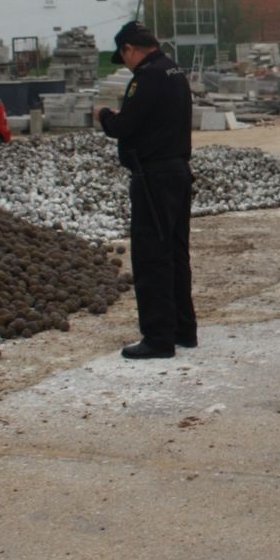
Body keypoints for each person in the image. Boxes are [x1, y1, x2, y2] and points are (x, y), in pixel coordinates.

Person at [97, 21, 198, 359]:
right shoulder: (174, 71)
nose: (125, 64)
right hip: (177, 171)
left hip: (154, 177)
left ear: (130, 49)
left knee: (152, 256)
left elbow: (127, 125)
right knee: (175, 253)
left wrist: (106, 116)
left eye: (123, 56)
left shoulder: (148, 77)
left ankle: (158, 337)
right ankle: (183, 328)